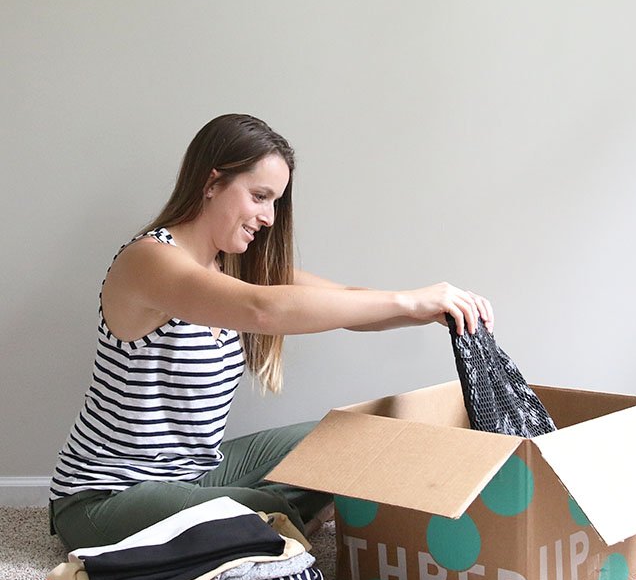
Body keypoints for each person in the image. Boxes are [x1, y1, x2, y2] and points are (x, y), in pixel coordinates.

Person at [49, 113, 495, 551]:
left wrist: (431, 308)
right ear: (212, 182)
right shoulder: (148, 260)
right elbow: (261, 310)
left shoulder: (236, 267)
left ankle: (270, 521)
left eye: (276, 201)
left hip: (197, 473)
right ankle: (277, 520)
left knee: (358, 440)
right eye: (260, 196)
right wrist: (410, 301)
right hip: (104, 496)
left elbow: (346, 301)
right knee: (263, 511)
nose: (269, 217)